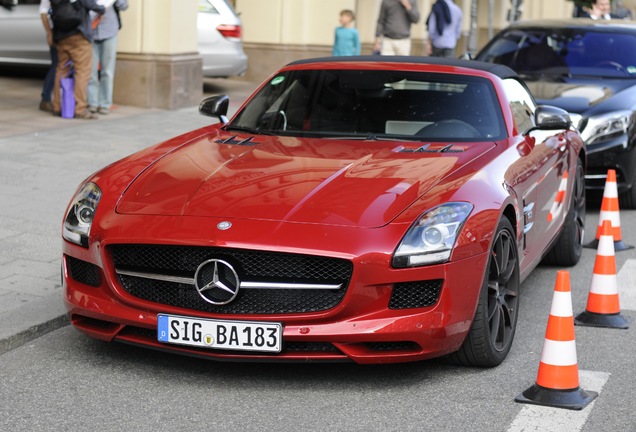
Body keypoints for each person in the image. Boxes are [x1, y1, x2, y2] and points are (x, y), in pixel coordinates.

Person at [51, 0, 105, 120]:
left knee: (61, 70)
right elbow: (92, 5)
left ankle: (57, 106)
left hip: (61, 35)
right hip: (79, 34)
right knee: (83, 71)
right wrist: (102, 8)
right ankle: (80, 109)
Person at [88, 0, 128, 115]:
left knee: (107, 71)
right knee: (91, 71)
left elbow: (124, 6)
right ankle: (92, 102)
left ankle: (105, 103)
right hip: (91, 33)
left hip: (109, 31)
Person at [38, 0, 57, 112]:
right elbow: (43, 12)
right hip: (58, 32)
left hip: (73, 32)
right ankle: (46, 99)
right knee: (57, 66)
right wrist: (49, 33)